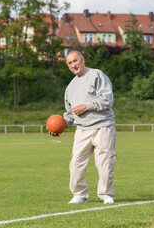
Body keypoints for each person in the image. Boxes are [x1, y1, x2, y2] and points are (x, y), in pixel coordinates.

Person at [48, 50, 116, 204]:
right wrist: (61, 126)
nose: (74, 65)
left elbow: (106, 100)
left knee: (105, 163)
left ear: (82, 59)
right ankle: (79, 195)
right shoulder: (70, 87)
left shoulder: (97, 75)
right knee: (75, 164)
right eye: (70, 63)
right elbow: (70, 114)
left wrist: (87, 106)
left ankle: (107, 196)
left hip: (103, 127)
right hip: (82, 130)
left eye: (75, 61)